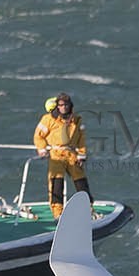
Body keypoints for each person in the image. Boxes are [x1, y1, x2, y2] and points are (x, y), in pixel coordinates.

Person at [33, 92, 90, 220]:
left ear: (70, 106)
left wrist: (82, 154)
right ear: (57, 106)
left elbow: (81, 138)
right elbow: (38, 136)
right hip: (56, 154)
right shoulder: (48, 119)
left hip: (71, 153)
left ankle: (88, 208)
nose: (64, 107)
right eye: (61, 105)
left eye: (66, 104)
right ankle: (58, 212)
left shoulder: (76, 119)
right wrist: (42, 149)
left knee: (81, 181)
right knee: (56, 182)